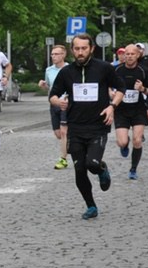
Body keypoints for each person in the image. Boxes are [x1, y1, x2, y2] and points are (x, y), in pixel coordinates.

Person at [49, 33, 123, 220]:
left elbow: (121, 89)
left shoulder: (104, 68)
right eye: (77, 49)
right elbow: (53, 95)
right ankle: (91, 206)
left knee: (92, 164)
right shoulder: (66, 72)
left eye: (84, 48)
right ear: (72, 50)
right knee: (80, 169)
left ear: (91, 49)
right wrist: (59, 102)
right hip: (75, 127)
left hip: (98, 125)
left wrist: (112, 107)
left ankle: (101, 169)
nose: (80, 52)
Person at [113, 43, 148, 180]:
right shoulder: (117, 70)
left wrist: (142, 89)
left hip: (138, 110)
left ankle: (133, 169)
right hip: (121, 110)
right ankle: (125, 144)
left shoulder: (144, 71)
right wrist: (111, 94)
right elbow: (106, 85)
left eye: (132, 54)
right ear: (124, 55)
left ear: (138, 55)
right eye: (127, 54)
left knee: (137, 140)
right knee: (122, 142)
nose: (129, 56)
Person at [39, 44, 69, 169]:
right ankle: (71, 143)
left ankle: (63, 159)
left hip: (66, 103)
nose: (53, 56)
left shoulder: (69, 69)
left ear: (63, 55)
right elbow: (49, 87)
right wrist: (43, 85)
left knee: (63, 132)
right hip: (53, 103)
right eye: (52, 54)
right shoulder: (49, 70)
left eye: (56, 54)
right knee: (58, 134)